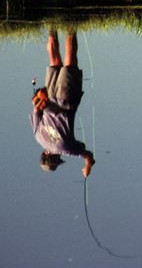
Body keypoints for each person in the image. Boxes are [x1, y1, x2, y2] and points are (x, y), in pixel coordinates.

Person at [31, 27, 95, 177]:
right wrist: (42, 97)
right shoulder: (38, 137)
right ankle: (52, 24)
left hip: (66, 101)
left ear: (54, 157)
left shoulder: (66, 149)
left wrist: (88, 168)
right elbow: (36, 110)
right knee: (53, 59)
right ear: (44, 154)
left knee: (70, 62)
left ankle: (71, 22)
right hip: (50, 97)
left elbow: (87, 155)